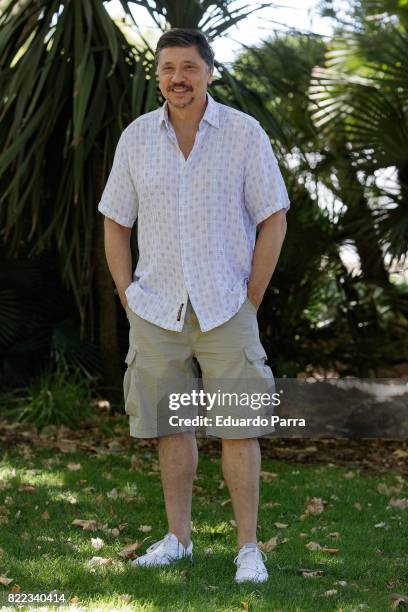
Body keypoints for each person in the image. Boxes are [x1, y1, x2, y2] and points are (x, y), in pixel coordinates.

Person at [97, 28, 290, 584]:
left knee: (239, 429)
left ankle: (248, 548)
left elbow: (273, 217)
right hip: (157, 310)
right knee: (171, 427)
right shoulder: (136, 138)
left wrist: (250, 297)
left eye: (188, 67)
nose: (177, 79)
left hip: (227, 306)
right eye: (167, 69)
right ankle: (177, 539)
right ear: (157, 77)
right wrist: (128, 294)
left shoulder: (243, 133)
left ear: (209, 71)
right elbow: (115, 222)